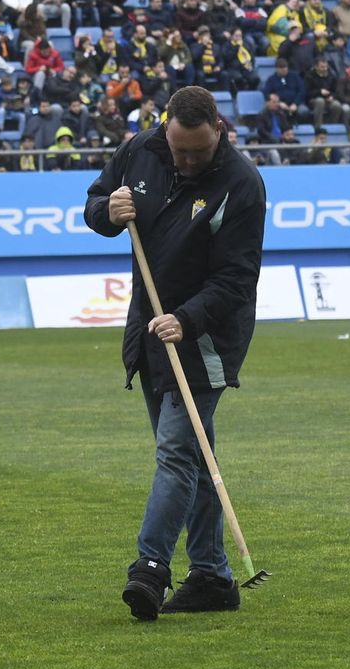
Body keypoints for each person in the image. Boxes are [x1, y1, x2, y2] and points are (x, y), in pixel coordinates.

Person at [82, 85, 267, 620]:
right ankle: (211, 576)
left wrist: (186, 320)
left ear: (220, 133)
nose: (186, 161)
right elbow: (94, 205)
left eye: (198, 152)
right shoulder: (140, 150)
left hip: (205, 336)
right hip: (147, 326)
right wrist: (107, 211)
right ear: (166, 129)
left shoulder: (242, 184)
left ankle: (150, 568)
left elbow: (237, 277)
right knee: (192, 459)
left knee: (176, 452)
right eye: (179, 149)